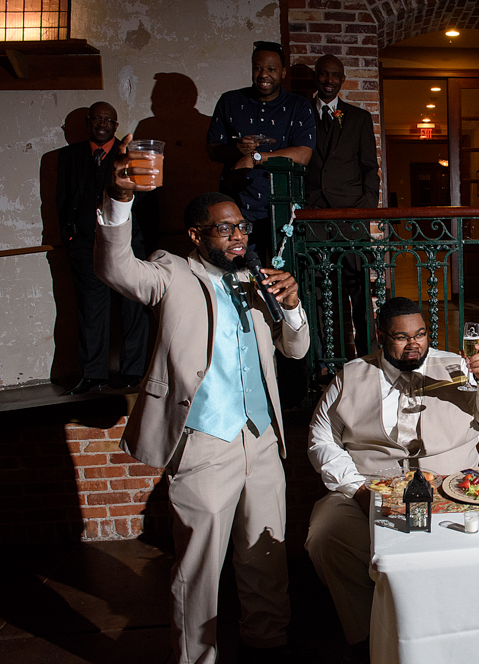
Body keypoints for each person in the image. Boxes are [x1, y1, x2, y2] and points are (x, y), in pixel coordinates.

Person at [94, 135, 310, 664]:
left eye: (242, 226)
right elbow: (116, 269)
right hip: (204, 442)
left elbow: (296, 349)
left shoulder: (259, 279)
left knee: (266, 557)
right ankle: (195, 658)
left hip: (261, 439)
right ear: (197, 235)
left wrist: (293, 304)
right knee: (199, 569)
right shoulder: (171, 272)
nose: (239, 236)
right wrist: (120, 201)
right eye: (226, 228)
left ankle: (268, 643)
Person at [304, 297, 479, 663]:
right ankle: (371, 634)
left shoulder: (456, 365)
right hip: (370, 486)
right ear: (382, 336)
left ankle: (461, 635)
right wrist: (357, 489)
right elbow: (321, 438)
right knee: (325, 534)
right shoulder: (350, 375)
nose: (414, 344)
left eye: (421, 334)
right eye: (402, 337)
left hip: (453, 486)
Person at [57, 101, 149, 394]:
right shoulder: (68, 157)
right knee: (91, 309)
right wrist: (70, 237)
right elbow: (61, 200)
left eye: (108, 120)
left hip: (128, 246)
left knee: (133, 308)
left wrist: (144, 243)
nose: (101, 124)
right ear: (88, 122)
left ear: (115, 125)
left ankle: (134, 372)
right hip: (85, 245)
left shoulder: (133, 156)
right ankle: (93, 375)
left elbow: (148, 203)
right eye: (96, 118)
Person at [304, 54, 381, 357]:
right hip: (313, 218)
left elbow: (369, 169)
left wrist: (365, 211)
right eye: (323, 75)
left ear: (342, 80)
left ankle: (370, 357)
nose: (328, 81)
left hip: (351, 219)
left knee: (360, 292)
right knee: (325, 295)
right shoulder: (301, 114)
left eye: (335, 76)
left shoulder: (358, 118)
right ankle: (336, 360)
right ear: (316, 77)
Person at [207, 40, 315, 256]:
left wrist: (255, 157)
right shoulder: (230, 101)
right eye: (258, 68)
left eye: (271, 69)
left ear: (283, 72)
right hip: (235, 205)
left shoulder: (299, 105)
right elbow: (213, 149)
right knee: (236, 271)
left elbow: (303, 153)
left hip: (283, 206)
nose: (264, 74)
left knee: (281, 271)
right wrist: (237, 149)